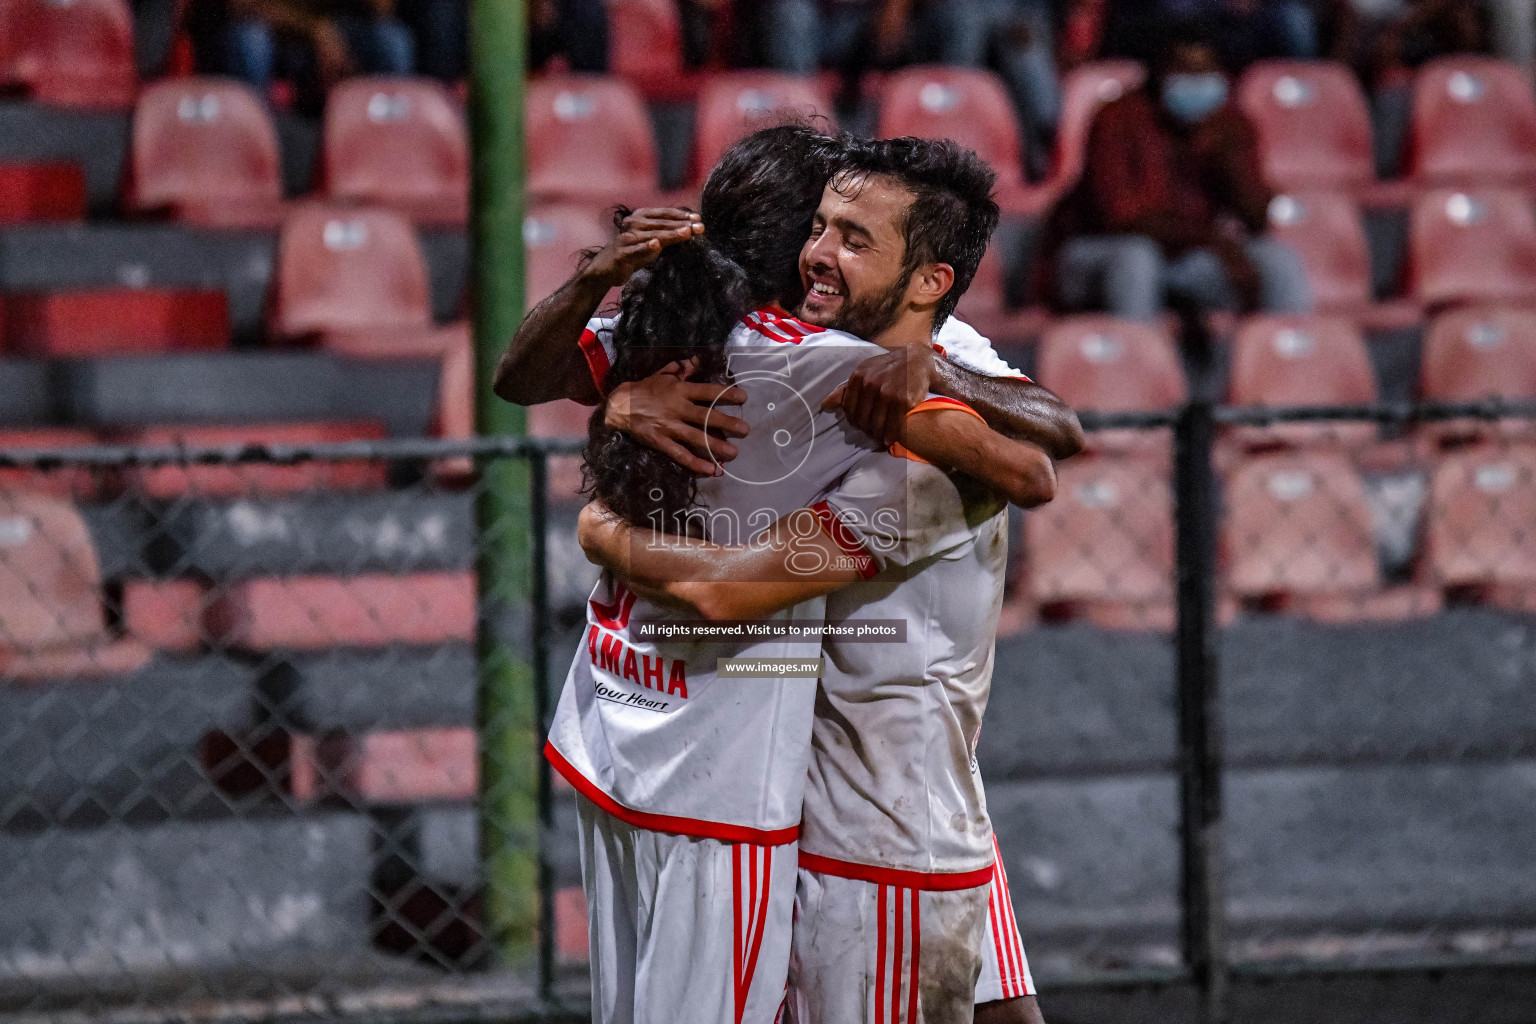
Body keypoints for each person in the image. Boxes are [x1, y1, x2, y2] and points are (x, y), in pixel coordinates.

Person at [496, 126, 1076, 1024]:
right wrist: (617, 401)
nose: (822, 253)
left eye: (852, 236)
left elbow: (1037, 458)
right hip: (856, 802)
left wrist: (599, 520)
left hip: (873, 820)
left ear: (928, 282)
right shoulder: (781, 346)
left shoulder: (893, 418)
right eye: (822, 226)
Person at [1047, 18, 1314, 321]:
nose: (1197, 81)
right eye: (1185, 70)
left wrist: (1230, 165)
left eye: (1206, 71)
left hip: (1189, 259)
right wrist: (1213, 241)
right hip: (1099, 255)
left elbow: (1256, 218)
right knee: (1137, 259)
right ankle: (1138, 365)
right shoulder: (1117, 119)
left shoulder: (1230, 124)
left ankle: (1288, 362)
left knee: (1279, 262)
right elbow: (1123, 220)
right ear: (1160, 72)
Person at [190, 0, 414, 104]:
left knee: (391, 40)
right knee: (250, 41)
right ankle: (251, 155)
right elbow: (242, 6)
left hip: (336, 33)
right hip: (272, 34)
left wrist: (328, 33)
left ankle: (391, 155)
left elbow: (382, 9)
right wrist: (314, 30)